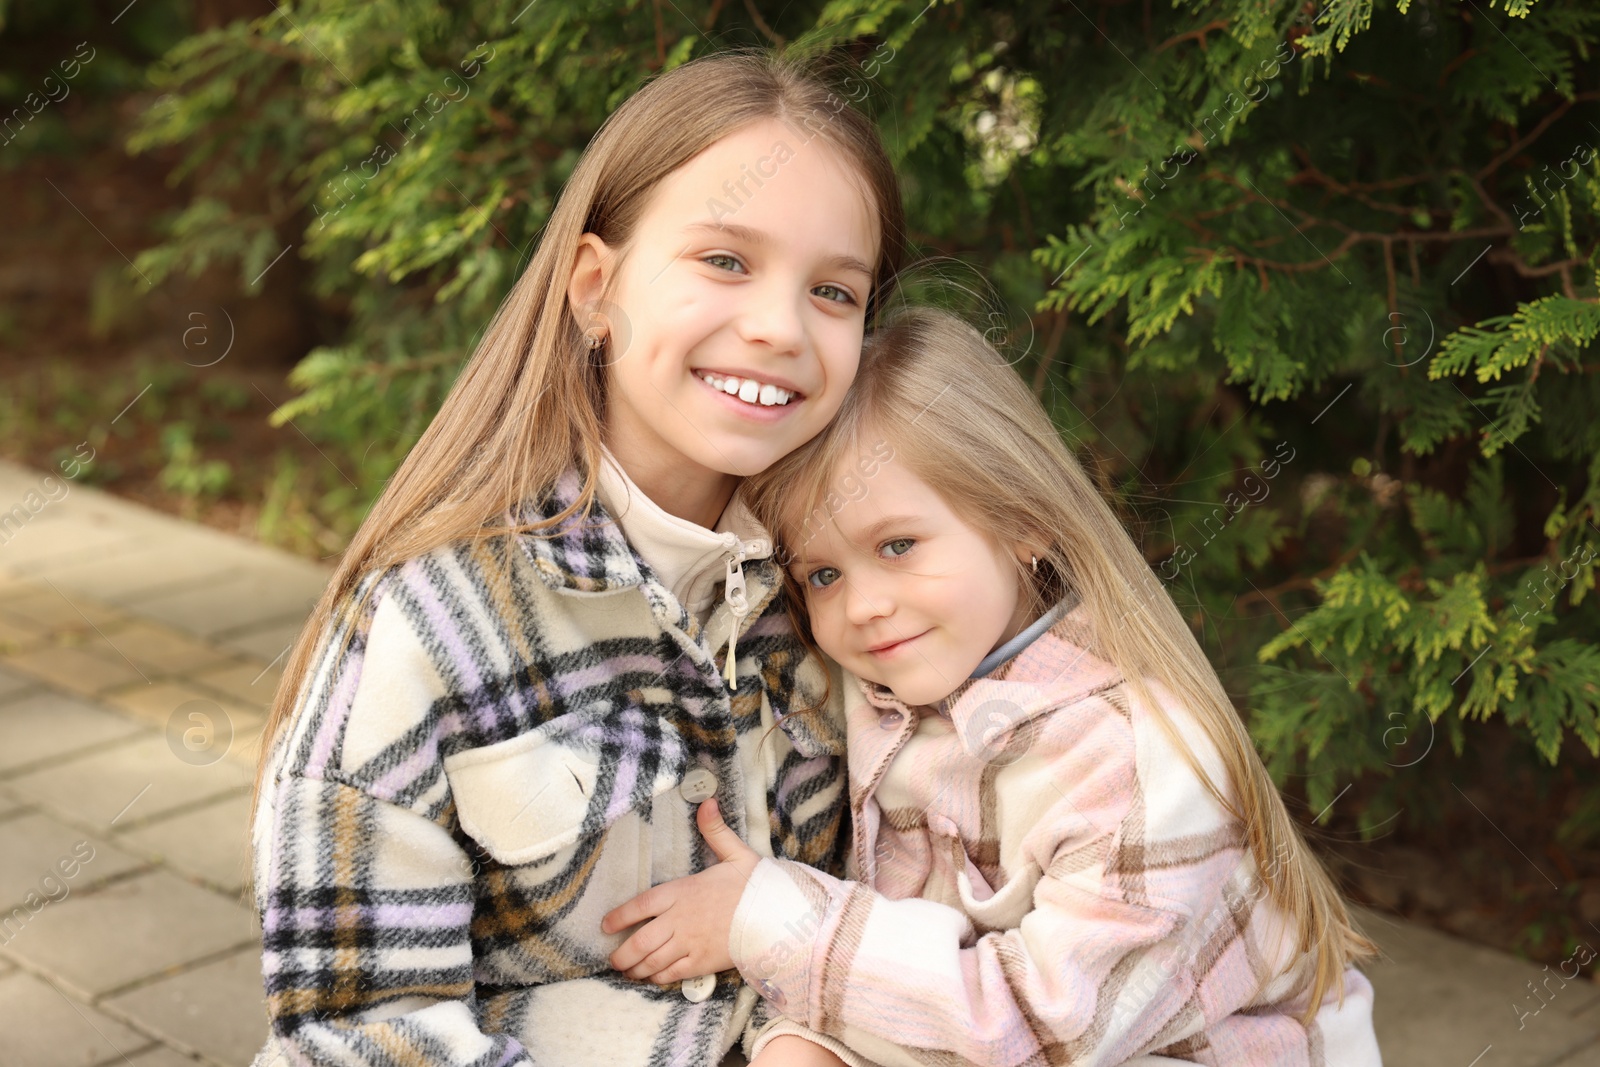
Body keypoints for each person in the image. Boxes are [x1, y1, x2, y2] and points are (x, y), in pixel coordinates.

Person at [244, 48, 909, 1067]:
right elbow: (356, 1029)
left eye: (833, 290)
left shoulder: (857, 595)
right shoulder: (430, 621)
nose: (779, 326)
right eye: (725, 260)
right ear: (596, 289)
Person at [600, 305, 1386, 1066]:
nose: (864, 605)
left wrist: (768, 921)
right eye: (825, 573)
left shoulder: (1136, 760)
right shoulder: (888, 684)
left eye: (899, 544)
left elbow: (1046, 1033)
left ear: (1022, 521)